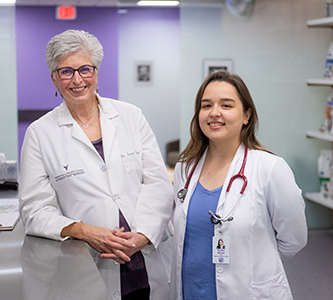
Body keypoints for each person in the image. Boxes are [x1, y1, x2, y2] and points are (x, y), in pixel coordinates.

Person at [19, 29, 173, 300]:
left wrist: (142, 236)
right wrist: (84, 230)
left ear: (97, 72)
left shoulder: (130, 116)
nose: (77, 79)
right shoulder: (40, 133)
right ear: (54, 78)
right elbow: (34, 210)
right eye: (66, 71)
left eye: (84, 69)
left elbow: (158, 183)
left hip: (147, 258)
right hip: (87, 267)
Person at [172, 71, 307, 300]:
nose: (214, 113)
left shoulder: (270, 168)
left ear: (247, 115)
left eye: (226, 105)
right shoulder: (186, 168)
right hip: (190, 291)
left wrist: (256, 262)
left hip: (247, 293)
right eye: (206, 106)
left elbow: (294, 239)